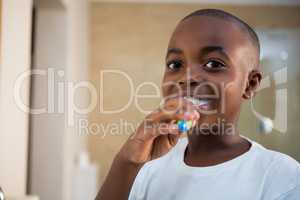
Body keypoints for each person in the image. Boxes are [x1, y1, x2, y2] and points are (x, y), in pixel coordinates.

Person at [96, 9, 300, 200]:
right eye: (175, 64)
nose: (186, 77)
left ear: (250, 84)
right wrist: (126, 162)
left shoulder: (284, 178)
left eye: (213, 64)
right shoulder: (147, 167)